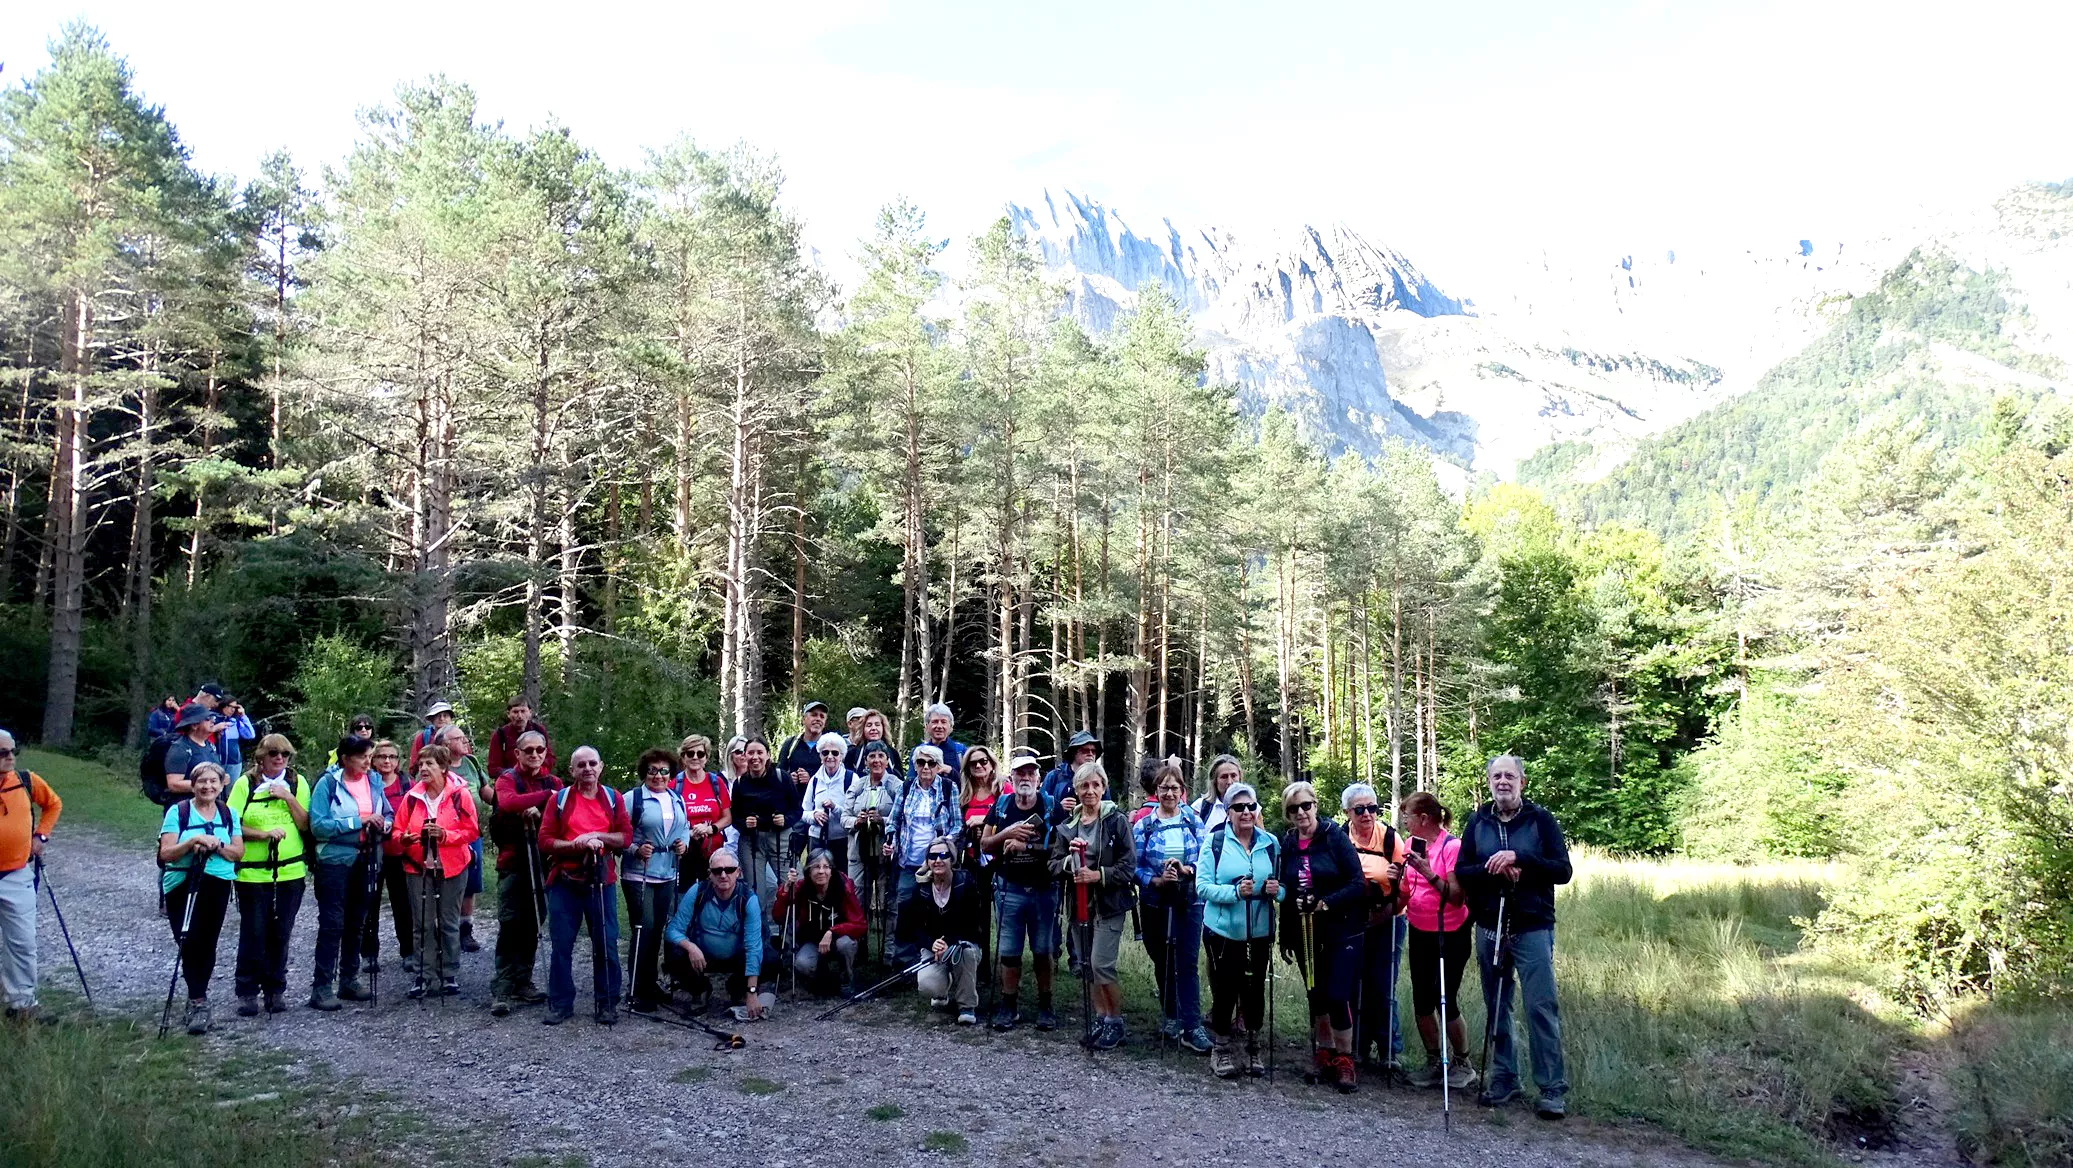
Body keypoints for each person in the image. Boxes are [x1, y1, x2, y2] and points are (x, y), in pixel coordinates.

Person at [1457, 754, 1573, 1120]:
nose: (1503, 782)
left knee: (1541, 1006)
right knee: (1497, 1006)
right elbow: (1463, 870)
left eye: (1510, 776)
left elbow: (1562, 870)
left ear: (1522, 782)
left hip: (1532, 926)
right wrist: (1494, 870)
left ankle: (1552, 1089)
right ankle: (1505, 1078)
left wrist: (1520, 858)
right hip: (1490, 925)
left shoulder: (1541, 820)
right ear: (1489, 782)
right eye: (1496, 776)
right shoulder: (1477, 821)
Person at [1279, 779, 1366, 1092]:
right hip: (1305, 931)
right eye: (1294, 809)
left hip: (1342, 928)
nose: (1301, 812)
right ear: (1288, 814)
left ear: (1315, 805)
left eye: (1306, 805)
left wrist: (1326, 902)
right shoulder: (1288, 843)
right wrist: (1283, 934)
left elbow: (1358, 884)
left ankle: (1345, 1059)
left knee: (1338, 994)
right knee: (1315, 994)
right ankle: (1324, 1051)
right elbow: (1285, 890)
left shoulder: (1334, 837)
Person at [538, 745, 631, 1026]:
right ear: (571, 771)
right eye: (581, 765)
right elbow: (544, 840)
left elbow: (625, 837)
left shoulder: (613, 799)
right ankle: (561, 1003)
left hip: (601, 882)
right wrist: (576, 844)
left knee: (606, 943)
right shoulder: (560, 800)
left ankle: (607, 1003)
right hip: (565, 882)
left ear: (601, 766)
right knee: (562, 945)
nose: (587, 769)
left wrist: (597, 836)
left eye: (592, 763)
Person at [1049, 761, 1135, 1050]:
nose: (1090, 791)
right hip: (1078, 904)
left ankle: (1115, 1021)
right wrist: (1068, 863)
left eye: (1095, 785)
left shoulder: (1115, 821)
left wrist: (1098, 875)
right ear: (1076, 789)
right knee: (1087, 965)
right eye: (1084, 785)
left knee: (1102, 965)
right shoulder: (1067, 827)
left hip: (1108, 904)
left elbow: (1128, 866)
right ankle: (1100, 1018)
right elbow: (1053, 864)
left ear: (1103, 787)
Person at [1199, 782, 1282, 1078]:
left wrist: (1277, 890)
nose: (1246, 812)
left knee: (1255, 987)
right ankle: (1220, 1047)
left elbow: (1283, 887)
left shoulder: (1270, 842)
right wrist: (1234, 892)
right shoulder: (1215, 842)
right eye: (1239, 807)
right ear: (1229, 812)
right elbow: (1202, 886)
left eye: (1251, 806)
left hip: (1259, 929)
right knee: (1226, 988)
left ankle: (1252, 1045)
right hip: (1223, 929)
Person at [157, 761, 244, 1035]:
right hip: (181, 882)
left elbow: (238, 852)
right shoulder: (179, 811)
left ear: (221, 785)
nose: (207, 786)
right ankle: (197, 998)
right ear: (193, 785)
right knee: (187, 940)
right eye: (201, 782)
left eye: (213, 782)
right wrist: (193, 842)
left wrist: (217, 845)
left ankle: (198, 999)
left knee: (207, 942)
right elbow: (166, 853)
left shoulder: (229, 814)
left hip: (217, 882)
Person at [226, 734, 311, 1016]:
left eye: (285, 754)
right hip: (252, 874)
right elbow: (231, 824)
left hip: (290, 871)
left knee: (281, 932)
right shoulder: (244, 784)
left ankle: (276, 989)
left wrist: (287, 796)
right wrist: (262, 835)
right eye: (274, 753)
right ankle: (247, 991)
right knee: (254, 932)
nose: (280, 759)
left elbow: (305, 824)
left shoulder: (297, 783)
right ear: (261, 756)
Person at [307, 734, 393, 1010]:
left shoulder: (374, 782)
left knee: (358, 921)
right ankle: (321, 987)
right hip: (334, 860)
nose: (369, 762)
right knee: (333, 922)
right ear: (345, 759)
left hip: (367, 857)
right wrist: (359, 821)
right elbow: (319, 826)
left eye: (370, 757)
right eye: (363, 757)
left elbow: (388, 813)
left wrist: (385, 825)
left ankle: (348, 980)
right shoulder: (327, 784)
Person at [1399, 791, 1476, 1090]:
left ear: (1423, 818)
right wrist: (1399, 877)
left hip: (1450, 932)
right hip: (1419, 929)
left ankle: (1462, 1063)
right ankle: (1434, 1061)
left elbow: (1457, 898)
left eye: (1407, 815)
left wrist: (1428, 873)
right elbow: (1408, 887)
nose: (1404, 821)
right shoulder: (1410, 844)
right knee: (1421, 1000)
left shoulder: (1452, 847)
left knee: (1445, 999)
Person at [1134, 760, 1212, 1053]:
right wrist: (1154, 880)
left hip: (1189, 900)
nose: (1169, 793)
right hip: (1155, 901)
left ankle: (1192, 1026)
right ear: (1156, 790)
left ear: (1183, 791)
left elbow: (1205, 859)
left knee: (1187, 962)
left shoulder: (1194, 821)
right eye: (1163, 787)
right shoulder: (1144, 824)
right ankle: (1170, 1015)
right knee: (1163, 959)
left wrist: (1187, 869)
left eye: (1174, 787)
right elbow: (1134, 867)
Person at [980, 750, 1057, 1031]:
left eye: (1031, 773)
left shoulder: (1051, 806)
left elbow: (1060, 848)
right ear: (1011, 777)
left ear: (1039, 778)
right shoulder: (1001, 806)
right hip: (1008, 888)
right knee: (1009, 951)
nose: (1025, 777)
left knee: (1042, 949)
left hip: (1043, 889)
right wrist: (1008, 833)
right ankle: (1008, 1005)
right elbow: (985, 845)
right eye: (1020, 773)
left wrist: (1028, 847)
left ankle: (1045, 1005)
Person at [395, 744, 479, 999]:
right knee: (422, 923)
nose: (423, 769)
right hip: (417, 867)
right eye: (421, 764)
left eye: (429, 764)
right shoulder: (412, 797)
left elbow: (471, 831)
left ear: (443, 767)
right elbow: (397, 832)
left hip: (452, 866)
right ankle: (424, 974)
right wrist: (406, 839)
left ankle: (449, 974)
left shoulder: (459, 795)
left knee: (449, 922)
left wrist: (444, 835)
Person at [488, 730, 561, 1015]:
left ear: (545, 752)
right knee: (510, 924)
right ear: (517, 753)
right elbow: (507, 802)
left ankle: (523, 980)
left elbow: (561, 812)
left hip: (543, 861)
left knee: (533, 923)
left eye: (539, 750)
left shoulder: (553, 780)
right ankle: (502, 987)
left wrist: (539, 808)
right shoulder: (508, 779)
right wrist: (543, 798)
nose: (534, 755)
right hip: (513, 862)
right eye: (528, 750)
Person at [1343, 782, 1410, 1073]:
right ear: (1348, 812)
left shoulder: (1391, 839)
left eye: (1373, 808)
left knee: (1383, 984)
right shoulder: (1339, 838)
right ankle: (1355, 1046)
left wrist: (1391, 900)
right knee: (1352, 982)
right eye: (1360, 809)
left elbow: (1407, 886)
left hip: (1389, 917)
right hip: (1352, 917)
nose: (1368, 814)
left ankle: (1388, 1050)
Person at [0, 730, 61, 1021]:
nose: (10, 757)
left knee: (22, 943)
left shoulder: (25, 781)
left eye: (13, 751)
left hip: (17, 873)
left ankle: (22, 1005)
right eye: (2, 753)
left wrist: (41, 837)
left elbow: (53, 804)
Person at [623, 748, 690, 1014]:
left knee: (658, 930)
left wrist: (683, 845)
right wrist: (635, 849)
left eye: (664, 771)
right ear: (644, 772)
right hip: (639, 872)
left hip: (667, 872)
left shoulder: (676, 799)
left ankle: (649, 984)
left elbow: (683, 827)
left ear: (671, 774)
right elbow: (619, 832)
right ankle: (636, 990)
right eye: (652, 770)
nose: (658, 776)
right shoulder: (634, 798)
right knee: (643, 929)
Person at [665, 848, 765, 1019]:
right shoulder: (697, 891)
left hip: (737, 957)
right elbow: (673, 930)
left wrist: (752, 992)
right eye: (717, 871)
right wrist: (691, 947)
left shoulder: (749, 899)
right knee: (673, 953)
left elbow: (753, 946)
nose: (723, 875)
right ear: (709, 874)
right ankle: (700, 988)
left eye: (730, 870)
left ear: (739, 872)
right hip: (701, 957)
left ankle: (737, 989)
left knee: (769, 958)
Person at [898, 836, 986, 1024]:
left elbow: (973, 923)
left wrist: (950, 942)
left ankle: (967, 1006)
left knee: (966, 953)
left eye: (943, 855)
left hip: (963, 943)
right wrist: (931, 944)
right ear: (927, 860)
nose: (938, 860)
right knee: (927, 984)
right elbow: (913, 927)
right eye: (933, 856)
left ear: (952, 859)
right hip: (933, 947)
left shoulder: (965, 882)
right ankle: (941, 992)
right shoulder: (921, 887)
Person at [885, 743, 958, 964]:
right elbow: (893, 821)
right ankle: (903, 960)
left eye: (931, 763)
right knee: (904, 908)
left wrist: (943, 845)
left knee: (937, 910)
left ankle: (935, 957)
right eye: (921, 762)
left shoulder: (948, 788)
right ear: (915, 766)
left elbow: (957, 825)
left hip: (938, 864)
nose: (926, 767)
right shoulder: (906, 788)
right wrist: (891, 842)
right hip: (908, 862)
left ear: (938, 766)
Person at [771, 848, 866, 996]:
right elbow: (779, 917)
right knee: (803, 965)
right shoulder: (801, 888)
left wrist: (832, 931)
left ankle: (847, 978)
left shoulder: (843, 886)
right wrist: (786, 891)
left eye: (826, 867)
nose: (821, 871)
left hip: (838, 939)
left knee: (845, 944)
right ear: (808, 871)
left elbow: (860, 925)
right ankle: (821, 978)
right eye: (816, 867)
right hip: (811, 941)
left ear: (832, 870)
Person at [842, 740, 902, 956]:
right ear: (865, 761)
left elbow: (903, 817)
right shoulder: (858, 785)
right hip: (859, 852)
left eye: (880, 756)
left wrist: (883, 820)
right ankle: (859, 949)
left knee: (888, 901)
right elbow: (843, 817)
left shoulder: (896, 785)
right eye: (871, 757)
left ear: (887, 760)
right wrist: (856, 821)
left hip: (886, 853)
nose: (876, 760)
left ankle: (888, 952)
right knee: (858, 900)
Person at [729, 737, 789, 949]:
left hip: (779, 838)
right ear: (745, 756)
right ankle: (760, 944)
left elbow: (797, 810)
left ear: (768, 755)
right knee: (756, 894)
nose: (755, 757)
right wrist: (744, 823)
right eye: (750, 753)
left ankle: (789, 942)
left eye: (759, 752)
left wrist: (786, 819)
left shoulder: (781, 777)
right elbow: (733, 817)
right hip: (751, 841)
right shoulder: (739, 783)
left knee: (789, 888)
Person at [435, 724, 488, 953]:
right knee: (445, 883)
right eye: (460, 738)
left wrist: (507, 803)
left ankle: (465, 930)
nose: (465, 741)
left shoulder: (471, 763)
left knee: (471, 884)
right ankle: (444, 931)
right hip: (446, 836)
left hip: (471, 833)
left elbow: (486, 792)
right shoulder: (435, 765)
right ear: (446, 744)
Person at [366, 740, 416, 977]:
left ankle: (408, 951)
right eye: (382, 756)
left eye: (392, 757)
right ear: (373, 760)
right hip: (370, 851)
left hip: (400, 852)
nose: (387, 761)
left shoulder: (409, 784)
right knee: (369, 903)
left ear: (399, 760)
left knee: (403, 903)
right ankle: (369, 954)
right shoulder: (366, 784)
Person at [673, 734, 731, 891]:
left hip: (713, 853)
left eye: (700, 753)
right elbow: (668, 820)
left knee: (712, 897)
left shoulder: (716, 783)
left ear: (706, 757)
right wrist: (688, 833)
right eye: (690, 753)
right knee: (686, 898)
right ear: (683, 757)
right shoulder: (674, 785)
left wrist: (710, 829)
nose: (695, 757)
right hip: (684, 853)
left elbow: (727, 817)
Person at [776, 702, 831, 860]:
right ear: (804, 719)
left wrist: (811, 778)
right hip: (795, 811)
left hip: (820, 812)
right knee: (790, 857)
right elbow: (779, 773)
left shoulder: (829, 747)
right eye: (814, 715)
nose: (818, 719)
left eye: (822, 716)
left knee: (819, 860)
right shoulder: (791, 744)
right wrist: (789, 779)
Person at [799, 732, 854, 877]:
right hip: (816, 839)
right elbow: (803, 812)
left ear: (841, 756)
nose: (830, 756)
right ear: (820, 756)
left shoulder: (851, 778)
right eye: (825, 753)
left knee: (841, 880)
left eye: (835, 753)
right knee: (816, 878)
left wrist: (835, 808)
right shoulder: (815, 780)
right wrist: (814, 816)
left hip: (842, 841)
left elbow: (854, 815)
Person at [163, 703, 223, 798]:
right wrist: (208, 784)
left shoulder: (210, 745)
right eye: (207, 719)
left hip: (208, 806)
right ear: (194, 725)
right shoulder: (180, 748)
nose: (212, 721)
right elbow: (173, 784)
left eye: (212, 718)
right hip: (186, 808)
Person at [486, 697, 554, 776]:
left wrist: (536, 770)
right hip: (510, 782)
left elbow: (550, 758)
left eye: (523, 711)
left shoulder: (539, 730)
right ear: (508, 714)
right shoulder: (500, 735)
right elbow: (493, 769)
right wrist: (516, 774)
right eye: (515, 712)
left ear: (530, 712)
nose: (520, 716)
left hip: (538, 779)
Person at [1042, 731, 1100, 821]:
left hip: (1089, 832)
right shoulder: (1054, 777)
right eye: (1085, 750)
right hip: (1058, 832)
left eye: (1094, 751)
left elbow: (1107, 810)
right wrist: (1058, 808)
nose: (1090, 754)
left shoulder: (1099, 780)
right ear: (1073, 753)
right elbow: (1040, 807)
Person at [908, 703, 966, 785]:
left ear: (951, 727)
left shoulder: (960, 751)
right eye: (935, 722)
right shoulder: (918, 752)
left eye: (943, 722)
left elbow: (970, 783)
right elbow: (910, 783)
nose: (939, 726)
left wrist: (951, 772)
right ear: (927, 726)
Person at [1193, 754, 1244, 832]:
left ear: (1240, 777)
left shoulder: (1251, 807)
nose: (1229, 782)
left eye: (1233, 776)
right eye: (1224, 777)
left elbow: (1263, 840)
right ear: (1214, 781)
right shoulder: (1201, 807)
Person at [845, 710, 901, 775]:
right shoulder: (852, 754)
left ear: (883, 728)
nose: (873, 728)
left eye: (877, 725)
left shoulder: (893, 754)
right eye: (869, 725)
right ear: (863, 729)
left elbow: (900, 781)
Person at [214, 698, 256, 782]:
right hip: (216, 762)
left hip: (234, 762)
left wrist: (243, 716)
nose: (232, 710)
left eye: (235, 707)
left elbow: (250, 735)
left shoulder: (235, 722)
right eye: (230, 706)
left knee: (231, 790)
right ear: (223, 705)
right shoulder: (213, 720)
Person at [408, 701, 457, 770]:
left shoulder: (458, 736)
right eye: (438, 716)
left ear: (450, 718)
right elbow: (414, 762)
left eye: (445, 715)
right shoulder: (423, 737)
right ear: (432, 719)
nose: (442, 718)